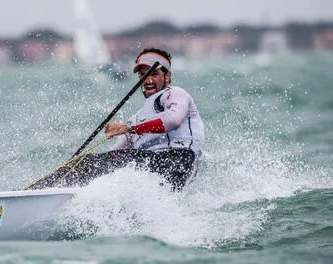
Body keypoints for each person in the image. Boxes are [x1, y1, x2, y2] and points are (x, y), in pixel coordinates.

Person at [28, 48, 204, 191]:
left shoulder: (175, 94)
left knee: (89, 163)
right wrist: (94, 158)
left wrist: (129, 129)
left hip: (177, 161)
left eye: (154, 74)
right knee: (87, 162)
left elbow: (173, 120)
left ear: (167, 77)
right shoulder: (138, 117)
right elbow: (120, 151)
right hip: (154, 167)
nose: (148, 80)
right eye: (143, 75)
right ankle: (52, 193)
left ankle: (35, 195)